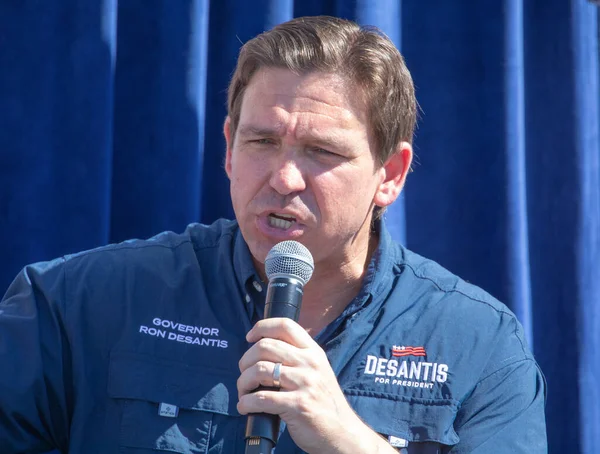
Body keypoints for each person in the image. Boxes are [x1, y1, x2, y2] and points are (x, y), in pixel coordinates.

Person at [0, 15, 546, 454]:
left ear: (391, 175)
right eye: (261, 142)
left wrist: (347, 440)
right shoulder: (76, 305)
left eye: (322, 152)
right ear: (229, 148)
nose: (284, 179)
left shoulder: (480, 343)